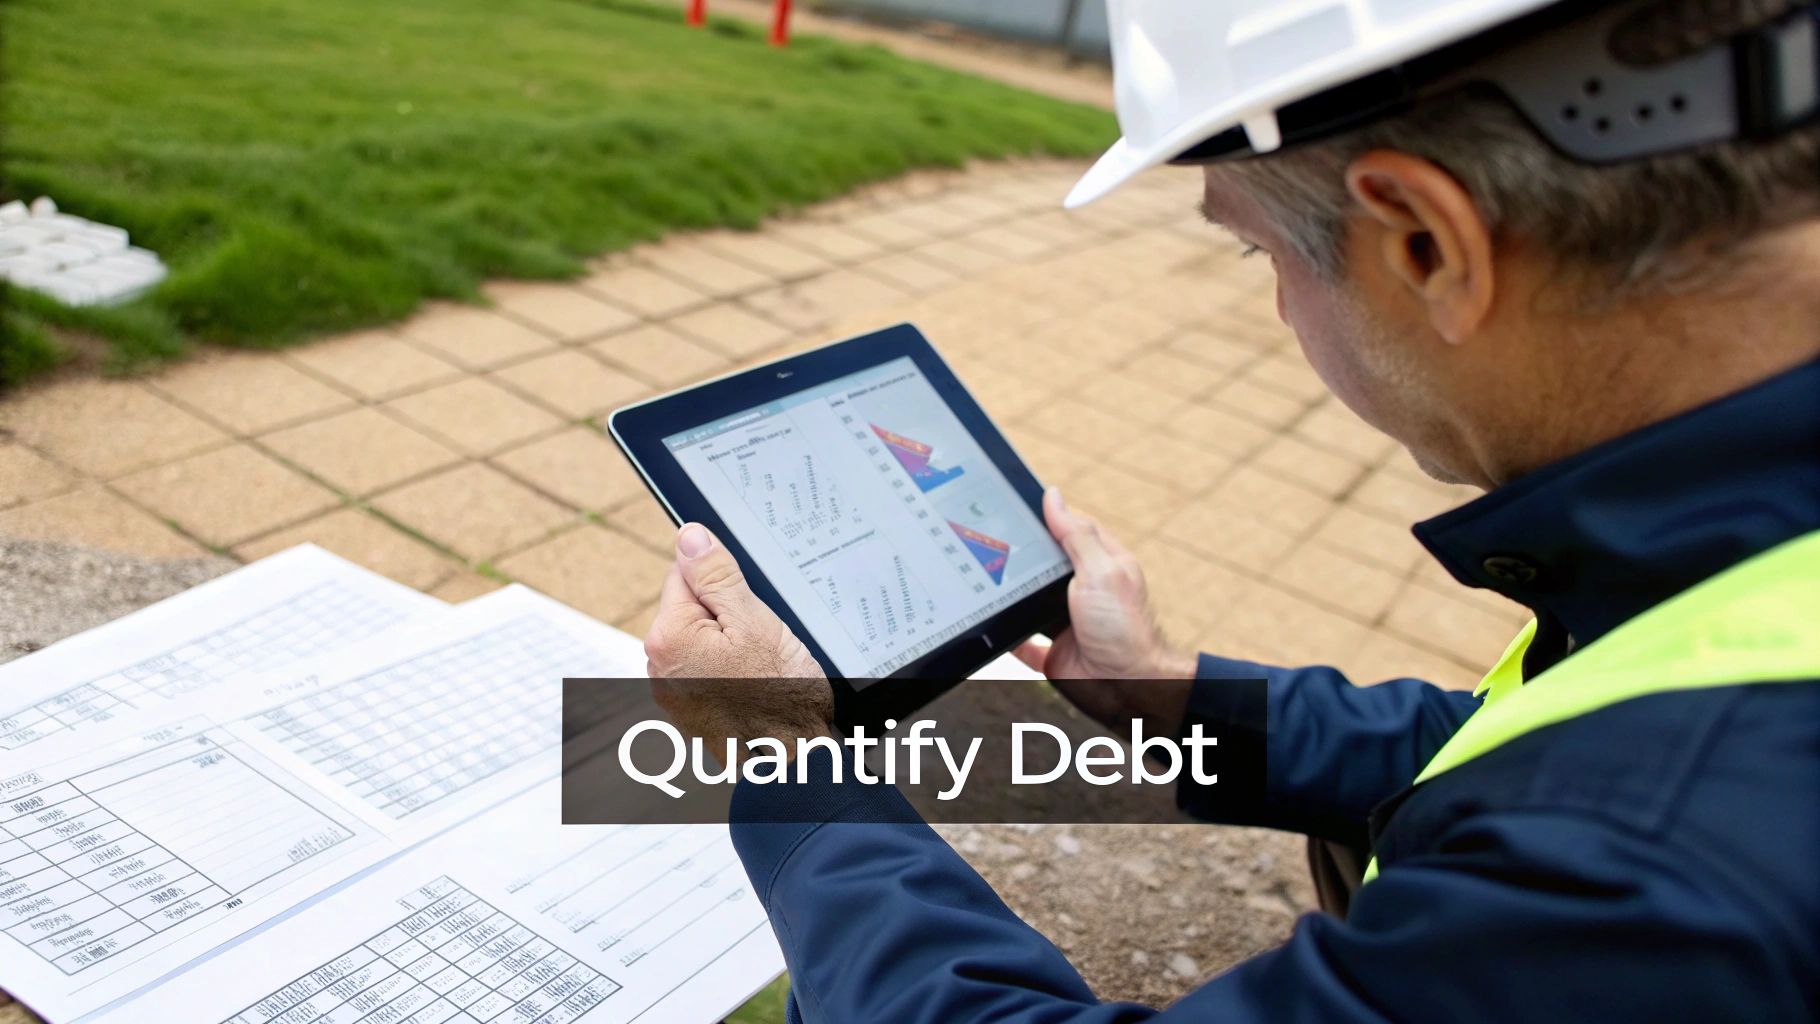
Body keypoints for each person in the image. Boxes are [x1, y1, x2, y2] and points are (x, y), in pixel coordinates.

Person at [642, 0, 1820, 1019]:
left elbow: (1594, 813)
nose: (1277, 311)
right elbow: (1511, 750)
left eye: (1257, 253)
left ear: (1423, 242)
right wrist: (1163, 687)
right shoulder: (1747, 549)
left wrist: (785, 759)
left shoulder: (1662, 877)